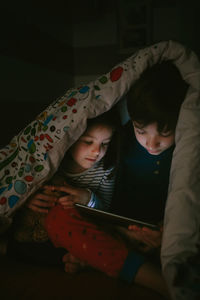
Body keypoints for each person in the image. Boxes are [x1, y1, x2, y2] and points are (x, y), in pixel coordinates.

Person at [41, 61, 188, 299]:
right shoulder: (121, 141)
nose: (152, 144)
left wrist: (168, 231)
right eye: (142, 132)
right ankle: (147, 275)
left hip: (156, 232)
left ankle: (96, 259)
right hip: (116, 227)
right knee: (67, 224)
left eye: (165, 133)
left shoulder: (185, 152)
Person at [8, 108, 120, 264]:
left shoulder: (106, 169)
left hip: (77, 230)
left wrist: (88, 198)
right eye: (88, 142)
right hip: (41, 230)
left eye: (105, 143)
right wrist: (28, 199)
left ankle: (77, 259)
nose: (97, 152)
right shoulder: (52, 163)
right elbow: (16, 188)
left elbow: (105, 213)